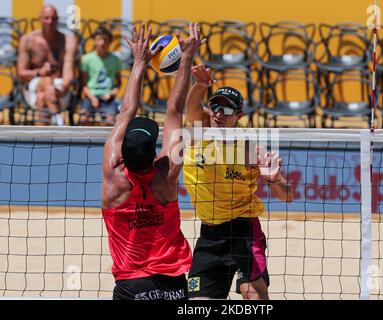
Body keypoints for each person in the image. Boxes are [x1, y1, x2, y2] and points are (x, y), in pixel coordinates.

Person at [101, 23, 203, 300]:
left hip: (132, 286)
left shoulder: (113, 179)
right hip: (173, 284)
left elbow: (126, 112)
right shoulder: (167, 173)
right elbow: (174, 110)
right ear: (154, 155)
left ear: (123, 154)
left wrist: (139, 62)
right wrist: (186, 58)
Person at [183, 64, 294, 299]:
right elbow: (191, 109)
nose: (219, 114)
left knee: (253, 294)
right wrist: (200, 85)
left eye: (226, 109)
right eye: (215, 106)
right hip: (210, 234)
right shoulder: (202, 128)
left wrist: (273, 179)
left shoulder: (250, 147)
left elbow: (287, 196)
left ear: (239, 116)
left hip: (242, 229)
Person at [17, 5, 77, 126]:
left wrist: (62, 89)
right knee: (46, 80)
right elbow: (21, 73)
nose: (50, 21)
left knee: (42, 97)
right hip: (34, 86)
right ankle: (59, 123)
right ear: (39, 19)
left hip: (60, 89)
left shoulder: (68, 40)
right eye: (46, 18)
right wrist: (39, 72)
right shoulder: (28, 40)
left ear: (58, 19)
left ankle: (41, 140)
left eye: (53, 18)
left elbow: (68, 72)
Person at [80, 26, 122, 126]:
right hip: (91, 96)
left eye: (105, 40)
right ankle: (88, 140)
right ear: (94, 41)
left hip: (108, 97)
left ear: (110, 42)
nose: (102, 43)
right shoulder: (86, 59)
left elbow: (119, 83)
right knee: (83, 118)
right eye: (99, 39)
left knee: (110, 120)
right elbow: (83, 84)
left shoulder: (115, 59)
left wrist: (112, 94)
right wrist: (92, 97)